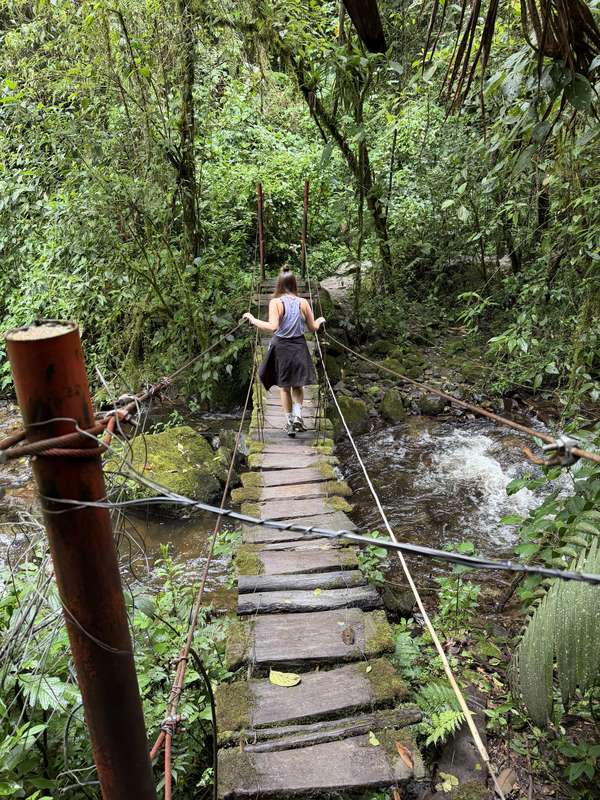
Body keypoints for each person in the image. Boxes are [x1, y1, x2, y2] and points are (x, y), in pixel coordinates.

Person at [243, 267, 325, 437]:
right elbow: (312, 328)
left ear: (279, 284)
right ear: (294, 284)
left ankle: (289, 422)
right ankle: (298, 417)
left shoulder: (276, 303)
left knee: (284, 386)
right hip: (299, 347)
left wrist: (252, 319)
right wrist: (319, 320)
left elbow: (272, 327)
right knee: (298, 385)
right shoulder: (303, 302)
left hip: (281, 348)